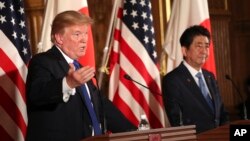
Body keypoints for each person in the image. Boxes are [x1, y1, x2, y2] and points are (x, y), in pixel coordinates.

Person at [26, 10, 136, 141]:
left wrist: (135, 133)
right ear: (59, 38)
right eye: (77, 34)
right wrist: (68, 83)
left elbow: (102, 107)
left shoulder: (80, 69)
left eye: (85, 34)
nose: (84, 40)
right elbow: (37, 94)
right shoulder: (43, 61)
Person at [162, 25, 229, 133]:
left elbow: (221, 112)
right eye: (199, 46)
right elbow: (177, 121)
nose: (204, 51)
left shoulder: (210, 76)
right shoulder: (172, 80)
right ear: (184, 51)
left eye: (207, 46)